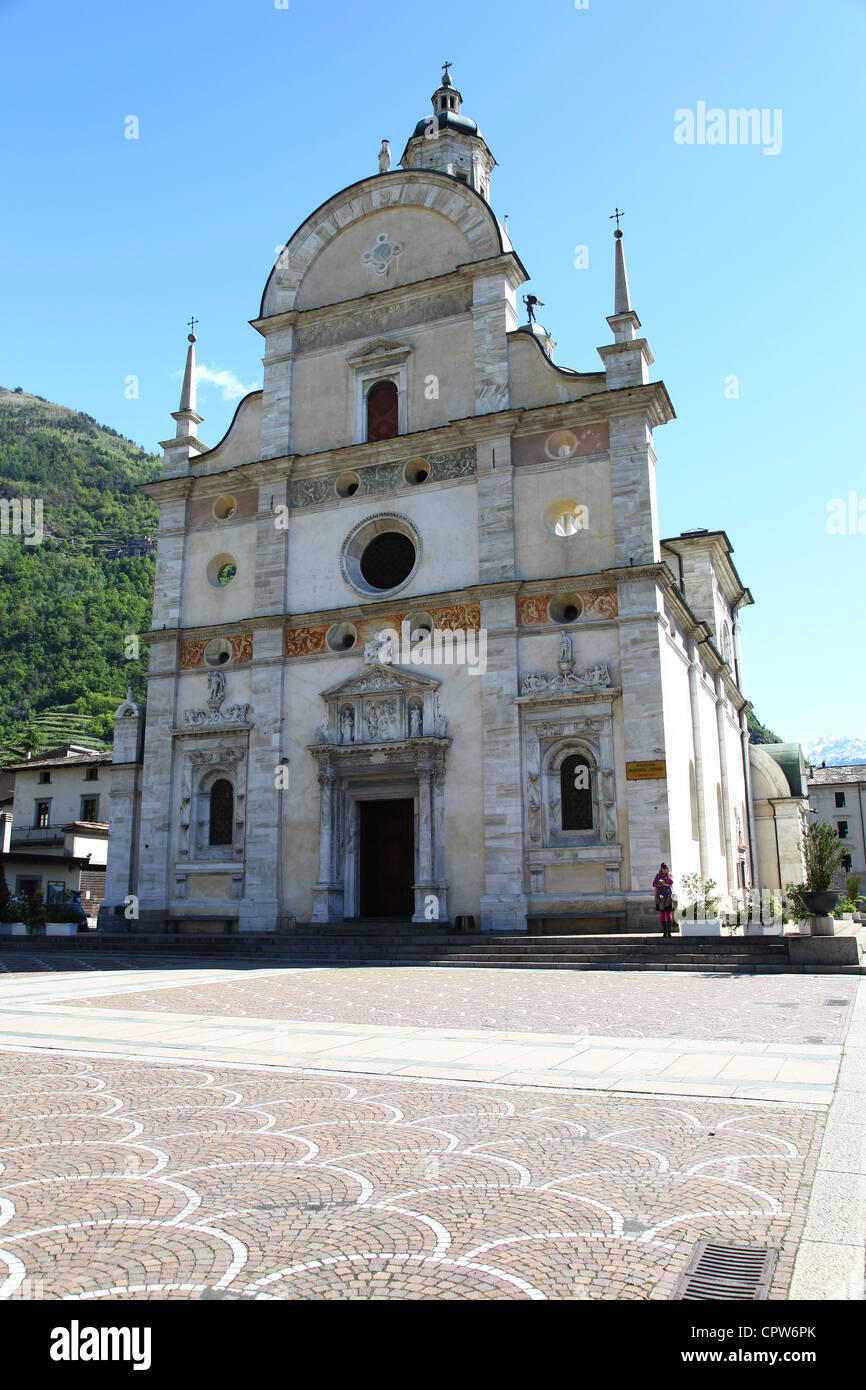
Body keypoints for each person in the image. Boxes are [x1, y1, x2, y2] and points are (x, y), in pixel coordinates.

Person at [653, 862, 675, 937]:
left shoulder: (670, 875)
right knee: (662, 914)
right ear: (661, 869)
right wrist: (660, 883)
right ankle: (665, 932)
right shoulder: (658, 875)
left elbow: (672, 882)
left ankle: (669, 932)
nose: (665, 870)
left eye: (666, 869)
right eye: (664, 869)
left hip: (668, 897)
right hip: (660, 897)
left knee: (668, 914)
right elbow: (654, 884)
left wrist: (667, 878)